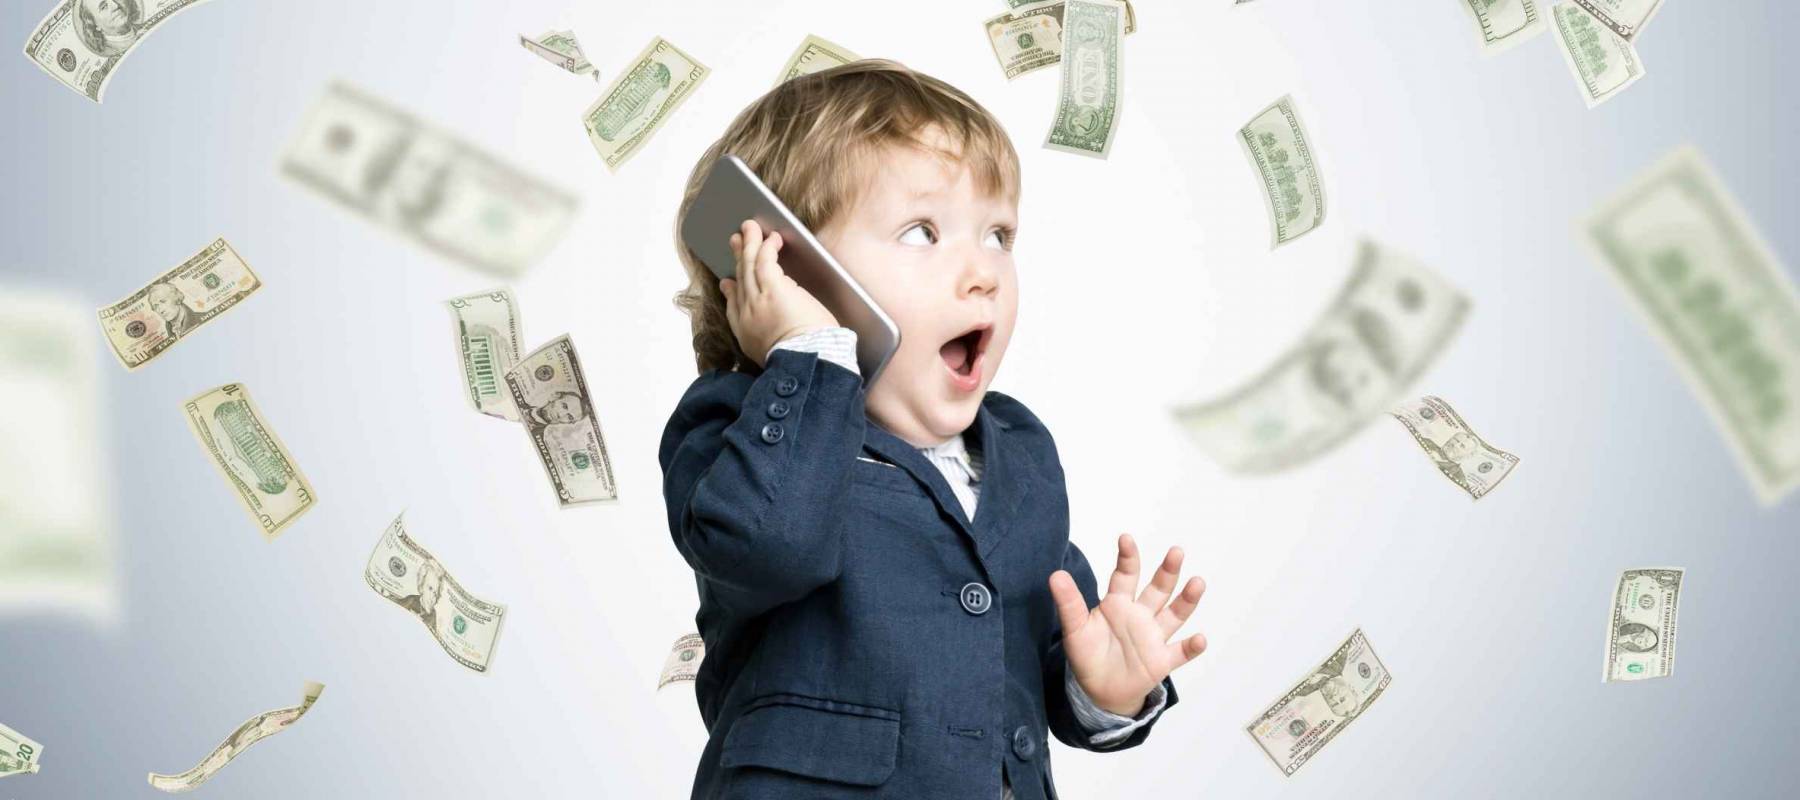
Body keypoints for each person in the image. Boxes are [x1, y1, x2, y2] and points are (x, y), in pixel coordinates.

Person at [661, 60, 1207, 800]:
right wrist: (809, 357)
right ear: (788, 268)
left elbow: (1034, 651)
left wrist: (1100, 691)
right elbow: (771, 547)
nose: (983, 271)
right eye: (923, 232)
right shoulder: (736, 424)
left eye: (998, 235)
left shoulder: (1020, 454)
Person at [76, 0, 142, 57]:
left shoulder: (146, 27)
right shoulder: (107, 53)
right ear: (94, 24)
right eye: (104, 7)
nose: (115, 5)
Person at [393, 559, 445, 632]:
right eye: (430, 588)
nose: (432, 597)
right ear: (421, 586)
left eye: (435, 593)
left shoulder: (433, 615)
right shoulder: (411, 600)